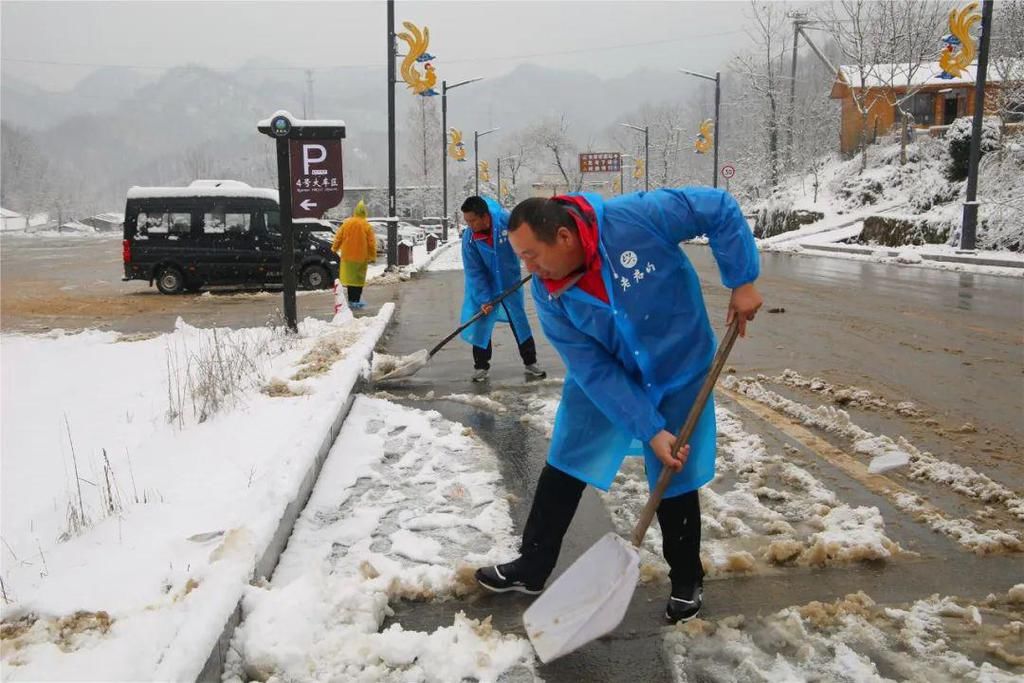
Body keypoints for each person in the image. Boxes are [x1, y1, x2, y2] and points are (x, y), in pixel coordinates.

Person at [474, 187, 762, 624]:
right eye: (522, 258)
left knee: (673, 470)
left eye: (532, 255)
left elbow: (718, 208)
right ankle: (532, 566)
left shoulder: (637, 217)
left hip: (679, 363)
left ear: (565, 238)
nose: (528, 269)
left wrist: (741, 280)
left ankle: (687, 578)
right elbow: (591, 368)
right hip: (611, 375)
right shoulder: (549, 296)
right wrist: (648, 427)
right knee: (568, 458)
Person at [460, 195, 547, 382]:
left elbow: (528, 242)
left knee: (519, 318)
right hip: (485, 282)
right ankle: (481, 365)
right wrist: (484, 298)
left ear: (484, 216)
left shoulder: (507, 222)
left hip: (510, 280)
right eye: (467, 221)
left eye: (473, 220)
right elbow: (474, 271)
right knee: (482, 320)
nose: (470, 225)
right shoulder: (469, 239)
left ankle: (530, 361)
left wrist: (537, 260)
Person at [331, 200, 376, 309]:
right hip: (361, 257)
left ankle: (351, 300)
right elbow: (371, 243)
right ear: (364, 212)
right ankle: (356, 300)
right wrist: (372, 256)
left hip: (347, 256)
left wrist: (334, 248)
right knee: (358, 280)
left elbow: (338, 237)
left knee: (350, 280)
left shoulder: (347, 223)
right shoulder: (366, 225)